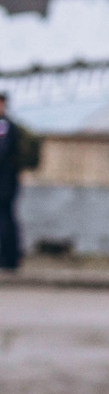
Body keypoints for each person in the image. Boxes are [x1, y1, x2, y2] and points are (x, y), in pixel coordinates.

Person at [0, 90, 27, 271]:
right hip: (7, 182)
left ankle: (9, 258)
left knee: (5, 219)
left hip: (5, 183)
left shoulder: (5, 126)